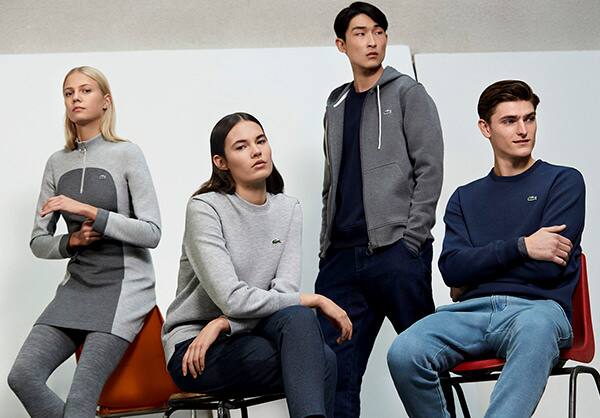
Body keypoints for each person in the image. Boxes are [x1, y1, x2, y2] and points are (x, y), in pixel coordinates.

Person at [387, 80, 585, 418]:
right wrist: (523, 247)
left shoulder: (563, 182)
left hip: (537, 310)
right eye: (510, 121)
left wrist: (478, 270)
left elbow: (548, 269)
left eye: (529, 118)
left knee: (535, 329)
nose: (523, 130)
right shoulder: (465, 198)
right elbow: (452, 269)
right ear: (485, 128)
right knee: (405, 351)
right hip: (471, 314)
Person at [162, 112, 352, 418]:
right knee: (322, 359)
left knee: (300, 320)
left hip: (249, 330)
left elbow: (283, 294)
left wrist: (226, 323)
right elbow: (231, 299)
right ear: (221, 162)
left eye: (260, 141)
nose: (256, 151)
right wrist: (313, 298)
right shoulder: (205, 208)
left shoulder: (288, 209)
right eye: (241, 147)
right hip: (198, 346)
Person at [7, 66, 161, 418]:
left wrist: (90, 211)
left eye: (85, 90)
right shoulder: (56, 163)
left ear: (105, 101)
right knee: (23, 376)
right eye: (69, 92)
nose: (76, 97)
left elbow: (152, 232)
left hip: (123, 290)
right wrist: (72, 240)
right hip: (76, 289)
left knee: (80, 401)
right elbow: (38, 241)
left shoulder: (127, 154)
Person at [315, 2, 444, 416]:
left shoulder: (409, 93)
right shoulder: (335, 104)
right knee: (334, 372)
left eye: (378, 31)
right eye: (360, 33)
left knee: (424, 364)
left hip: (395, 252)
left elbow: (430, 169)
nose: (371, 41)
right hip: (341, 259)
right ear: (341, 44)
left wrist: (412, 240)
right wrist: (326, 247)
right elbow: (331, 182)